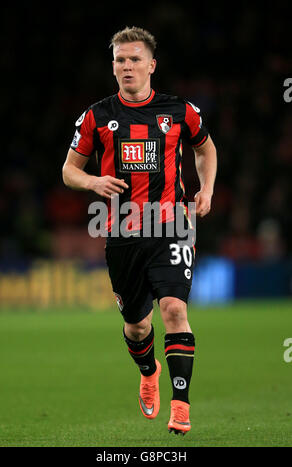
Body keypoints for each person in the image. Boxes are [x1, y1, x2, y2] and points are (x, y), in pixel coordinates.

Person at [62, 26, 217, 435]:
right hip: (123, 232)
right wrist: (94, 182)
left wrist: (207, 188)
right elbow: (69, 171)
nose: (126, 66)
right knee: (137, 325)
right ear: (112, 67)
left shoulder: (180, 111)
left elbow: (206, 148)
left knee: (175, 310)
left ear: (152, 64)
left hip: (172, 225)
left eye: (134, 59)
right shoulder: (97, 116)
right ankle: (148, 372)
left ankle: (180, 406)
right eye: (119, 60)